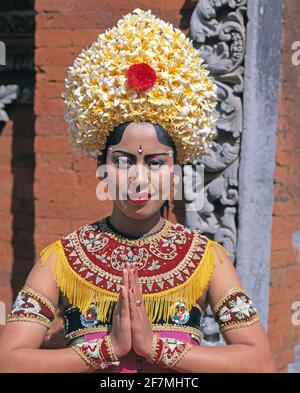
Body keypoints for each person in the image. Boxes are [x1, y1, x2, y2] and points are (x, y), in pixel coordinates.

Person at [0, 8, 275, 373]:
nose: (139, 178)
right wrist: (107, 349)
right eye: (124, 160)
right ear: (103, 169)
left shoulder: (206, 259)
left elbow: (259, 362)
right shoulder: (63, 259)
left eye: (156, 162)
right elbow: (8, 360)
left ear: (175, 173)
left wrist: (155, 347)